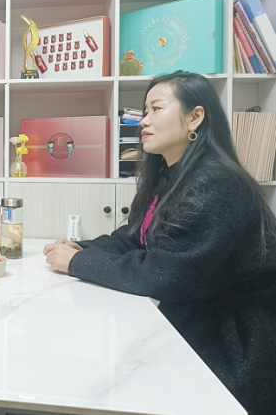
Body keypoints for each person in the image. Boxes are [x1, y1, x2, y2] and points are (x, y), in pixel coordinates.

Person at [43, 71, 276, 415]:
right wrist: (82, 249)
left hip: (235, 343)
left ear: (195, 117)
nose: (143, 121)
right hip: (199, 318)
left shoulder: (217, 184)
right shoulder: (173, 174)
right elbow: (134, 238)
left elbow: (166, 274)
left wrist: (77, 262)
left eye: (156, 109)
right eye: (144, 111)